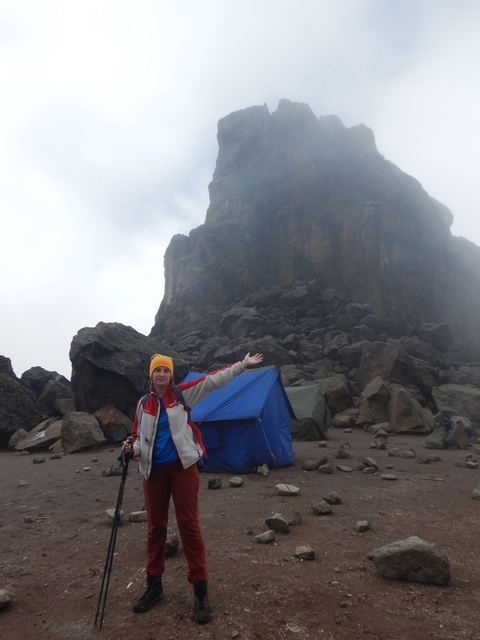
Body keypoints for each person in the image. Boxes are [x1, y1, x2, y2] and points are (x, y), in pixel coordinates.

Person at [124, 351, 263, 624]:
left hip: (182, 469)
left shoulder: (181, 395)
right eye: (157, 371)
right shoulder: (143, 404)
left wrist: (242, 366)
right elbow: (138, 439)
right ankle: (154, 586)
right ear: (151, 375)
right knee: (155, 527)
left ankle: (200, 590)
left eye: (165, 370)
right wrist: (131, 448)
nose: (161, 375)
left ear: (171, 375)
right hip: (154, 473)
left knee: (189, 526)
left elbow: (213, 381)